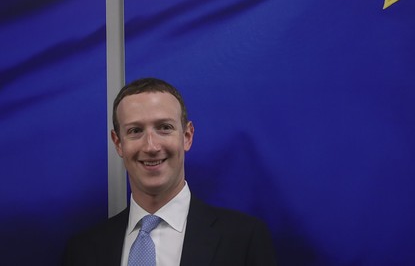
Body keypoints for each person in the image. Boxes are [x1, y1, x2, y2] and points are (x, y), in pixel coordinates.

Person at [63, 78, 277, 265]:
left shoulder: (244, 239)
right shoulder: (82, 251)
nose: (151, 146)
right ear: (118, 143)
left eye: (164, 127)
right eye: (135, 131)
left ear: (187, 136)